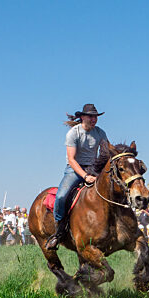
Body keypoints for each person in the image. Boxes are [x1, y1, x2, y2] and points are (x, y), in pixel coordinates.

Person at [46, 103, 109, 250]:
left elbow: (106, 153)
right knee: (61, 197)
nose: (94, 119)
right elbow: (71, 159)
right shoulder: (73, 133)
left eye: (95, 117)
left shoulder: (101, 133)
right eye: (90, 116)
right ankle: (58, 231)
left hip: (93, 168)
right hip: (74, 170)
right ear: (82, 117)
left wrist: (99, 169)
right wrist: (85, 176)